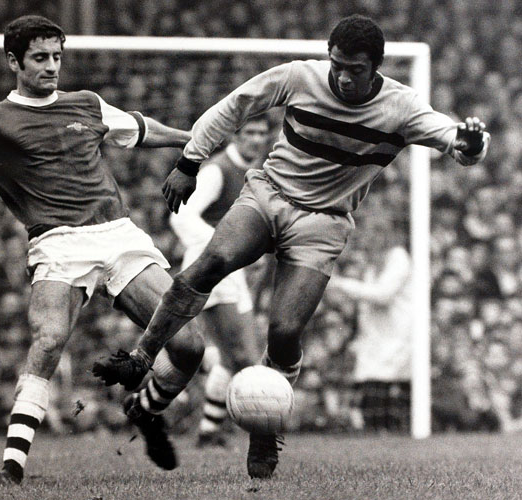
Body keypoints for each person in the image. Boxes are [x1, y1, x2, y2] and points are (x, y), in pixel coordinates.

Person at [93, 14, 490, 479]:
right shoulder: (299, 76)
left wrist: (471, 145)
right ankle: (141, 358)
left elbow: (455, 142)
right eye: (336, 63)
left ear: (376, 67)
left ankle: (264, 431)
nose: (342, 75)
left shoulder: (402, 107)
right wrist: (190, 160)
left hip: (323, 223)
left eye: (355, 69)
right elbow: (235, 105)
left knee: (283, 333)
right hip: (268, 195)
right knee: (211, 262)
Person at [0, 15, 205, 486]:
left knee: (189, 345)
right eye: (40, 58)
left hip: (118, 234)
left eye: (57, 56)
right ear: (14, 62)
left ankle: (145, 409)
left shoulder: (86, 104)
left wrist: (196, 141)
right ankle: (11, 469)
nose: (52, 66)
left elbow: (138, 128)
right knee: (50, 340)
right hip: (58, 243)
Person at [167, 115, 270, 446]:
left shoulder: (256, 173)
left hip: (232, 267)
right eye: (249, 133)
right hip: (214, 265)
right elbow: (180, 216)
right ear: (235, 136)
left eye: (262, 134)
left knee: (230, 356)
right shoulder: (217, 170)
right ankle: (263, 433)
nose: (256, 139)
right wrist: (224, 245)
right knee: (245, 354)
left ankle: (209, 431)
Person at [325, 221, 413, 432]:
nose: (367, 239)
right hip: (376, 343)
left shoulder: (398, 258)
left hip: (397, 342)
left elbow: (382, 295)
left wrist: (340, 284)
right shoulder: (374, 262)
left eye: (374, 232)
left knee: (388, 412)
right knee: (372, 409)